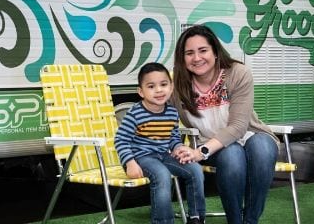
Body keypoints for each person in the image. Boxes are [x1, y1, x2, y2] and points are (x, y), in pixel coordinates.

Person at [170, 25, 279, 224]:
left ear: (215, 51)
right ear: (182, 58)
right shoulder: (177, 85)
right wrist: (178, 146)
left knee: (262, 147)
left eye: (203, 50)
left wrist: (200, 151)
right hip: (212, 147)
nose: (197, 58)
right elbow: (163, 120)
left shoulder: (238, 73)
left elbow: (238, 127)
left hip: (249, 135)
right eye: (189, 53)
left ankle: (250, 220)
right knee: (232, 154)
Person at [114, 62, 206, 224]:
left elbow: (173, 138)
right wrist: (129, 162)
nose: (158, 90)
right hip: (141, 157)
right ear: (141, 92)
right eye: (151, 86)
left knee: (195, 170)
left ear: (171, 88)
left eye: (163, 84)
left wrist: (178, 147)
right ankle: (163, 221)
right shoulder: (135, 113)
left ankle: (196, 217)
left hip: (164, 155)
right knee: (162, 175)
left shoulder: (171, 111)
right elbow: (121, 139)